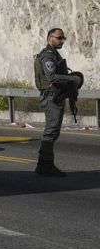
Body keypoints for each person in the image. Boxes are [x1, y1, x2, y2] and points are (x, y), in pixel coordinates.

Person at [35, 28, 83, 177]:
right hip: (51, 97)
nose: (62, 41)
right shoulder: (48, 56)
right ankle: (47, 165)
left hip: (56, 97)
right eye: (59, 38)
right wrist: (72, 79)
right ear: (50, 38)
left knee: (52, 132)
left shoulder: (54, 55)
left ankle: (42, 165)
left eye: (63, 38)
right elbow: (51, 77)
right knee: (51, 132)